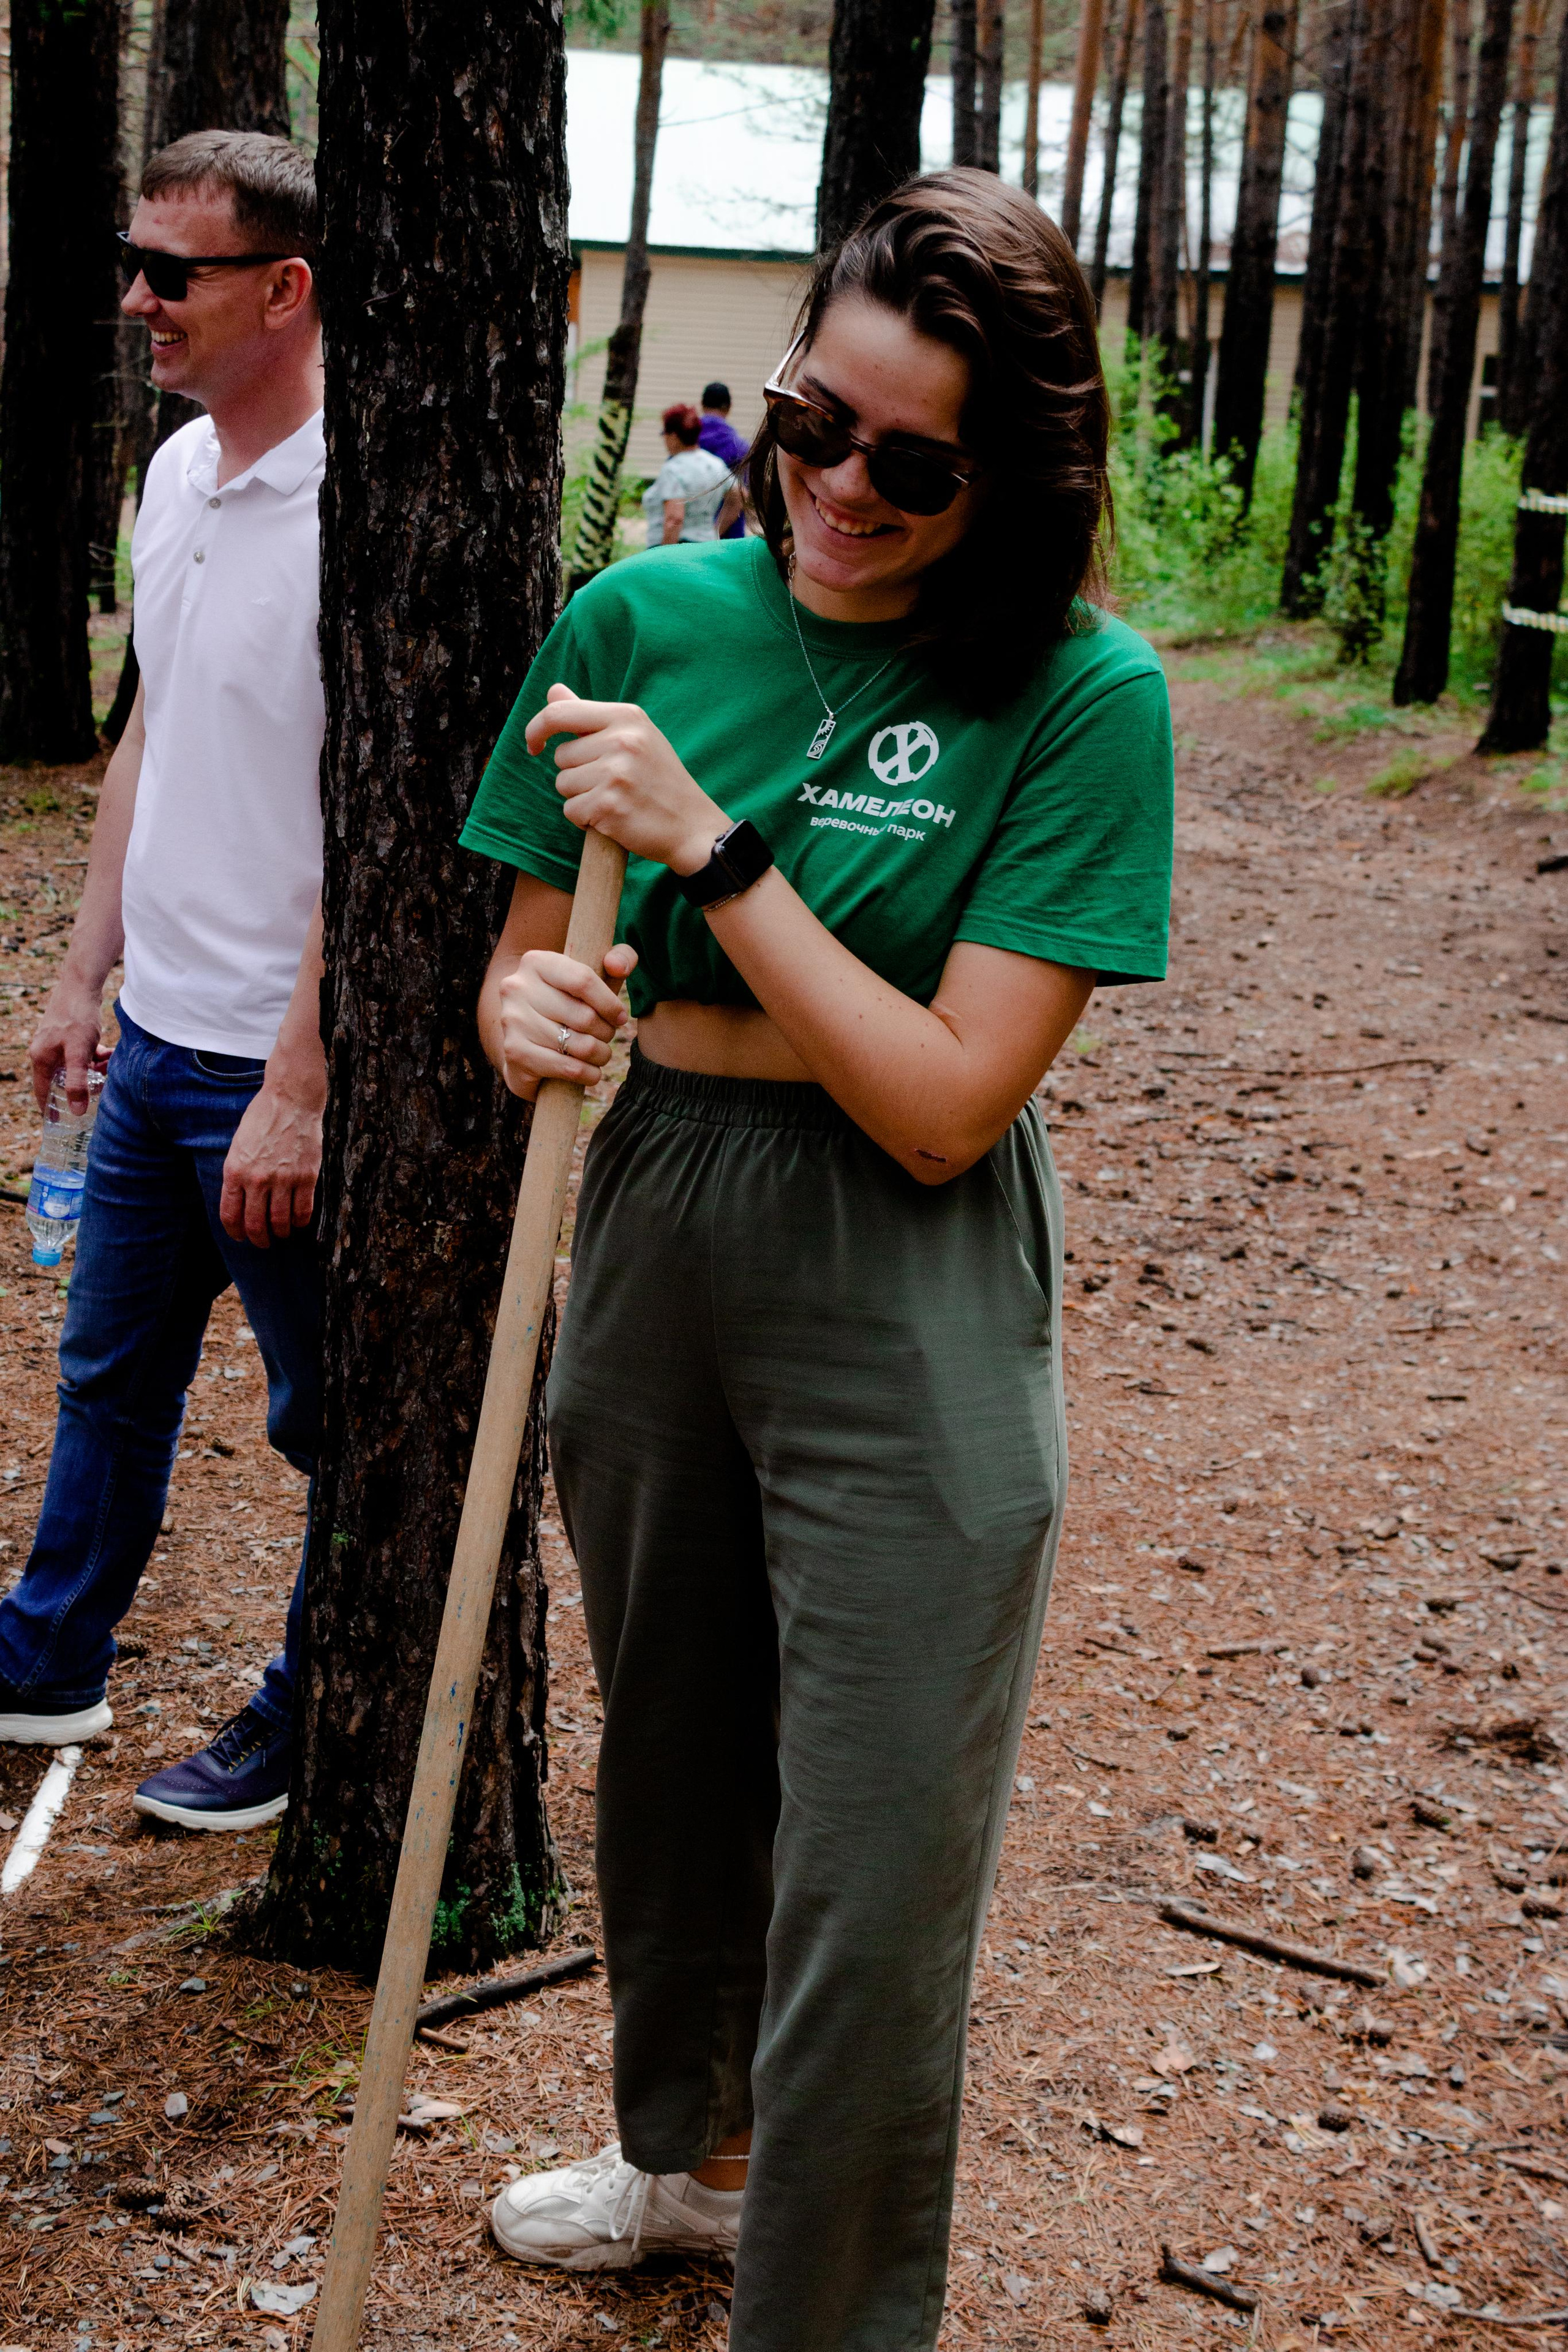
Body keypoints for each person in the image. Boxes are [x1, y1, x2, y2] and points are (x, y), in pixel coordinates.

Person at [461, 172, 1173, 2351]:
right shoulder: (639, 619)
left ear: (1011, 477)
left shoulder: (1080, 693)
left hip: (912, 1283)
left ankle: (829, 2315)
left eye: (911, 462)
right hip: (663, 1218)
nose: (837, 487)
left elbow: (952, 1095)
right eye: (810, 423)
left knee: (872, 1874)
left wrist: (719, 850)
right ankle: (687, 2164)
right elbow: (519, 965)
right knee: (672, 1779)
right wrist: (531, 1021)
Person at [0, 130, 327, 1835]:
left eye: (171, 272)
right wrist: (81, 972)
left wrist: (301, 1072)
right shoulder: (181, 472)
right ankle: (48, 1657)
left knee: (333, 1430)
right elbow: (152, 726)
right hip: (151, 1048)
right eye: (132, 262)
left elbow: (391, 822)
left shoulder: (366, 505)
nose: (135, 299)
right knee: (110, 1379)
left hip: (275, 1068)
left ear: (284, 288)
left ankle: (314, 1712)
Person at [640, 404, 739, 549]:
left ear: (673, 437)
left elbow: (674, 519)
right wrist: (715, 531)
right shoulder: (715, 464)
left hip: (676, 549)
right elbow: (740, 496)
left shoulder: (673, 469)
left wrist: (664, 557)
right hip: (705, 547)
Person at [698, 379, 748, 537]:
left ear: (702, 404)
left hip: (691, 533)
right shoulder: (741, 448)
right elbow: (745, 494)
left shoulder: (686, 443)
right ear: (728, 407)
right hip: (729, 536)